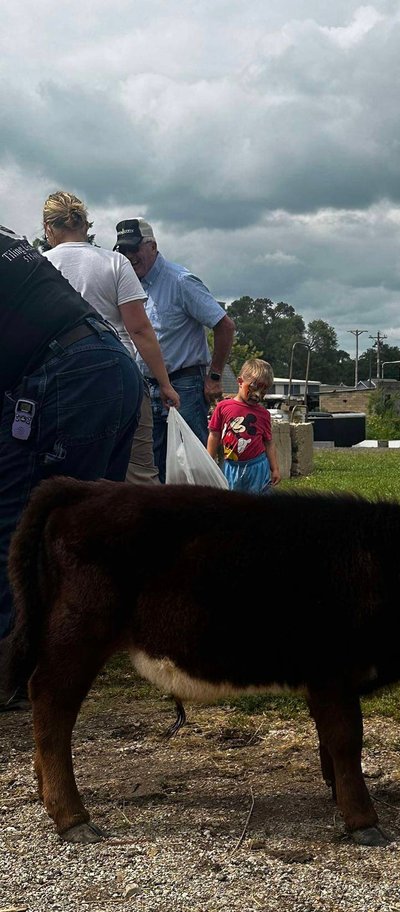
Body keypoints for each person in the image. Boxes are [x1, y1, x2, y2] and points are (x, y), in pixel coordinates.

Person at [0, 223, 143, 686]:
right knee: (85, 528)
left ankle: (14, 668)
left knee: (21, 524)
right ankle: (86, 643)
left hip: (64, 375)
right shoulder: (9, 241)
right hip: (109, 365)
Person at [41, 191, 180, 485]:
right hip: (119, 378)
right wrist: (164, 384)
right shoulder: (116, 263)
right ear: (86, 226)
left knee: (62, 474)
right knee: (139, 473)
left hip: (59, 382)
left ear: (47, 228)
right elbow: (140, 330)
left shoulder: (40, 267)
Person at [114, 218, 235, 480]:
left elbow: (224, 326)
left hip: (184, 386)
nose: (129, 256)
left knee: (192, 466)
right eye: (123, 250)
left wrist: (214, 376)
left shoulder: (180, 281)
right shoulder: (130, 286)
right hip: (146, 388)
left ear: (153, 246)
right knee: (152, 467)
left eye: (134, 248)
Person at [207, 358, 281, 492]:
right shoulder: (223, 407)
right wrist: (209, 460)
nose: (257, 395)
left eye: (263, 392)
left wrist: (274, 468)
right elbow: (214, 435)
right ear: (240, 382)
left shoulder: (264, 414)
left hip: (257, 467)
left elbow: (269, 442)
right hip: (231, 466)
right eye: (253, 388)